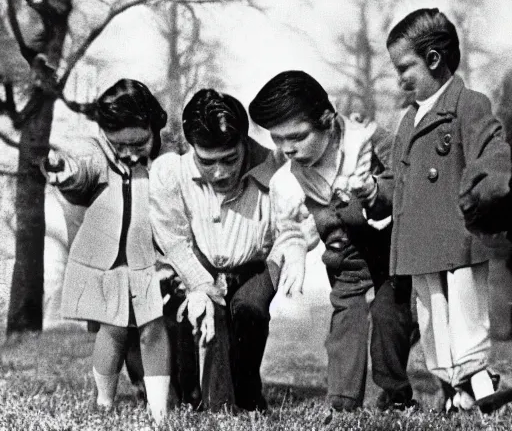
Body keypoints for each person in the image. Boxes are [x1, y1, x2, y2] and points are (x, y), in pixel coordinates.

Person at [351, 8, 512, 412]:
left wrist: (489, 189)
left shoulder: (468, 105)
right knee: (434, 324)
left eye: (404, 67)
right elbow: (395, 182)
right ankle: (456, 388)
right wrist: (373, 190)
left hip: (457, 238)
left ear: (434, 59)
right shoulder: (408, 120)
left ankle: (479, 378)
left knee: (465, 317)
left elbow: (491, 154)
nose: (398, 77)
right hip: (418, 245)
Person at [248, 70, 416, 414]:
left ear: (327, 119)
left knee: (390, 319)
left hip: (390, 245)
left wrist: (375, 190)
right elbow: (290, 224)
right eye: (278, 140)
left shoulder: (369, 140)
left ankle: (395, 393)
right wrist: (294, 250)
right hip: (345, 250)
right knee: (346, 319)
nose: (287, 148)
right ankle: (343, 401)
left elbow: (403, 179)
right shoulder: (289, 172)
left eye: (296, 136)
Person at [149, 88, 314, 412]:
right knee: (198, 332)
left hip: (259, 261)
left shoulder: (275, 166)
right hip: (202, 265)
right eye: (207, 162)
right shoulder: (171, 173)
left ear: (244, 143)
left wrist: (290, 249)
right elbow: (173, 240)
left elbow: (298, 223)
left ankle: (249, 391)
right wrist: (201, 286)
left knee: (249, 309)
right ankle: (198, 394)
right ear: (191, 148)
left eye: (230, 159)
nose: (220, 172)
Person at [41, 79, 171, 424]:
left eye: (138, 143)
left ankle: (159, 412)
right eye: (120, 145)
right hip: (105, 265)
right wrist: (63, 171)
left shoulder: (164, 164)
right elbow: (79, 174)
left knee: (153, 329)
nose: (130, 153)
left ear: (154, 126)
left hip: (149, 262)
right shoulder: (98, 158)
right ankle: (104, 401)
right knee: (112, 331)